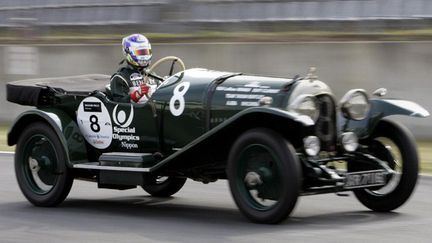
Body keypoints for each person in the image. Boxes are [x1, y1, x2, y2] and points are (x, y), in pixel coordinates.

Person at [110, 34, 156, 103]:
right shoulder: (120, 78)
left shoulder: (151, 74)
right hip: (136, 112)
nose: (144, 56)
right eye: (140, 52)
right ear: (128, 53)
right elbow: (118, 103)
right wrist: (137, 94)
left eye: (145, 52)